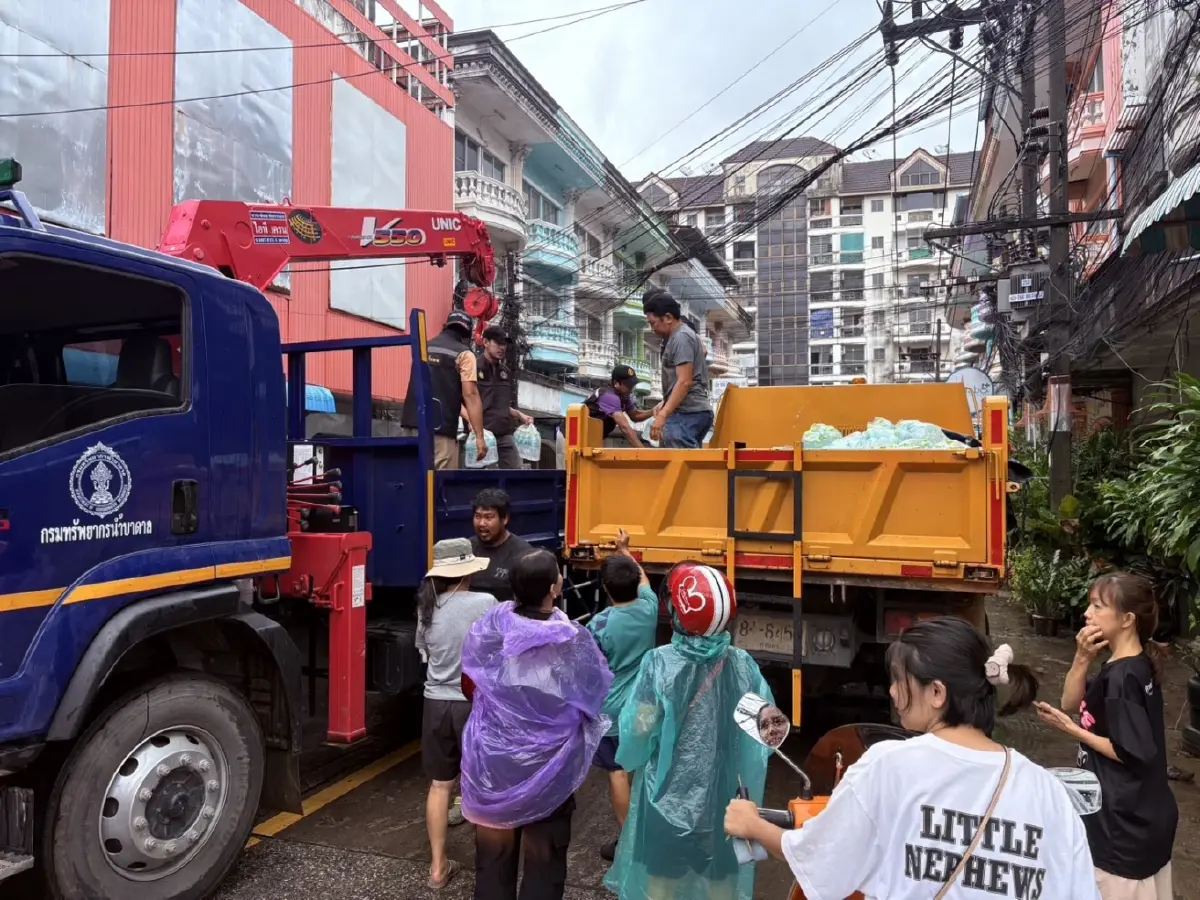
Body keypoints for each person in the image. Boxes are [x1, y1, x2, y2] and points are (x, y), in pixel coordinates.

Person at [725, 616, 1102, 900]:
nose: (891, 691)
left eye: (899, 680)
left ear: (937, 693)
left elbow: (820, 862)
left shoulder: (887, 767)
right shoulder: (1045, 791)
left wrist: (753, 825)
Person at [605, 562, 772, 900]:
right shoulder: (743, 665)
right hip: (724, 801)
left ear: (678, 612)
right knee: (721, 886)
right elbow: (765, 735)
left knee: (660, 888)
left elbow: (637, 734)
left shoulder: (658, 664)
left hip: (664, 800)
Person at [460, 548, 613, 900]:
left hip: (493, 767)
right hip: (551, 771)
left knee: (493, 861)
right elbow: (593, 697)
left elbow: (470, 684)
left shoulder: (491, 628)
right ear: (553, 589)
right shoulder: (572, 641)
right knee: (544, 861)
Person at [1036, 572, 1177, 900]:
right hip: (1141, 814)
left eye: (1098, 606)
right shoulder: (1131, 664)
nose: (1087, 613)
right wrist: (1082, 658)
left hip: (1123, 822)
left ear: (1127, 619)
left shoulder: (1123, 678)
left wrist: (1072, 731)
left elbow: (1131, 751)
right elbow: (1070, 703)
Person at [415, 538, 499, 890]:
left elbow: (425, 652)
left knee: (439, 785)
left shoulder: (427, 606)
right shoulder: (486, 603)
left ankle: (437, 867)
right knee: (481, 787)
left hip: (435, 703)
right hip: (474, 703)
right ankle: (490, 868)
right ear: (468, 570)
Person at [587, 528, 660, 861]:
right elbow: (642, 580)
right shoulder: (649, 607)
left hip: (613, 712)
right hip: (646, 705)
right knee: (644, 767)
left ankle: (629, 842)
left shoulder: (600, 624)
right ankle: (652, 830)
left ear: (605, 589)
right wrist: (626, 551)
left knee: (618, 772)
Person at [400, 310, 488, 468]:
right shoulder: (465, 354)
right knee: (439, 482)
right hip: (441, 429)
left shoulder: (424, 348)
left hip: (411, 423)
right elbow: (471, 395)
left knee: (412, 477)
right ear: (467, 334)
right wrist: (479, 436)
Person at [642, 289, 713, 449]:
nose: (652, 328)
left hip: (688, 411)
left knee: (680, 463)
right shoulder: (676, 337)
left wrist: (664, 414)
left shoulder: (681, 337)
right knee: (680, 462)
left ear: (667, 317)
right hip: (689, 410)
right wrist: (666, 403)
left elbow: (685, 382)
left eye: (653, 323)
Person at [475, 326, 534, 469]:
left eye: (504, 344)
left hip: (504, 434)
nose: (502, 348)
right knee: (479, 478)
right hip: (482, 434)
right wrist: (473, 427)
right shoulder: (474, 367)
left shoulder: (505, 372)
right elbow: (464, 401)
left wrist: (519, 414)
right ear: (485, 342)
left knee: (516, 474)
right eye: (498, 343)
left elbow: (500, 405)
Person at [468, 488, 531, 605]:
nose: (481, 523)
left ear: (505, 519)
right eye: (477, 516)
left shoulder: (523, 553)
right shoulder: (468, 548)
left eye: (488, 517)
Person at [584, 364, 655, 447]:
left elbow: (635, 415)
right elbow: (624, 427)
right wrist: (644, 452)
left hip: (592, 439)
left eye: (632, 385)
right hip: (578, 436)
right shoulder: (609, 396)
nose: (631, 388)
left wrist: (653, 411)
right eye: (628, 385)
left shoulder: (623, 396)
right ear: (616, 383)